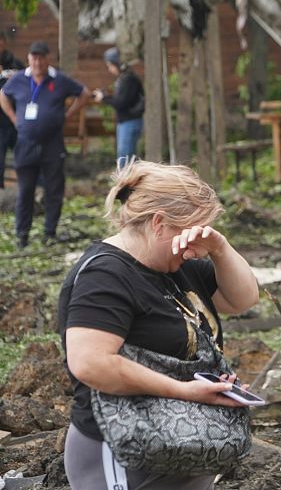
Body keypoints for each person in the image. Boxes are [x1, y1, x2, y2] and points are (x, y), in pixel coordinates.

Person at [57, 159, 260, 490]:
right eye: (192, 229)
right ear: (159, 223)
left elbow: (243, 298)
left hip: (181, 443)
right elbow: (90, 363)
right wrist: (184, 391)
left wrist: (220, 249)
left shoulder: (179, 265)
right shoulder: (105, 275)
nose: (196, 246)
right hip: (123, 449)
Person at [0, 40, 92, 248]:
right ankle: (22, 234)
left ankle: (50, 232)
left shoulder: (58, 79)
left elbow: (84, 93)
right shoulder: (19, 79)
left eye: (41, 57)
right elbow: (3, 95)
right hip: (26, 143)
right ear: (29, 59)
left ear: (47, 58)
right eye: (34, 57)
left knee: (53, 189)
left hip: (52, 143)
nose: (38, 62)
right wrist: (15, 119)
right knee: (25, 190)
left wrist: (67, 115)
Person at [93, 47, 145, 168]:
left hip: (129, 121)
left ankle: (126, 185)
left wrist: (104, 98)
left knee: (125, 160)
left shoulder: (128, 79)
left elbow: (121, 103)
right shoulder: (125, 78)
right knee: (126, 157)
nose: (109, 69)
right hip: (127, 121)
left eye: (110, 65)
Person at [0, 33, 23, 188]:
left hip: (16, 120)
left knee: (23, 158)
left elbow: (27, 85)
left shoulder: (16, 64)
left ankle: (30, 191)